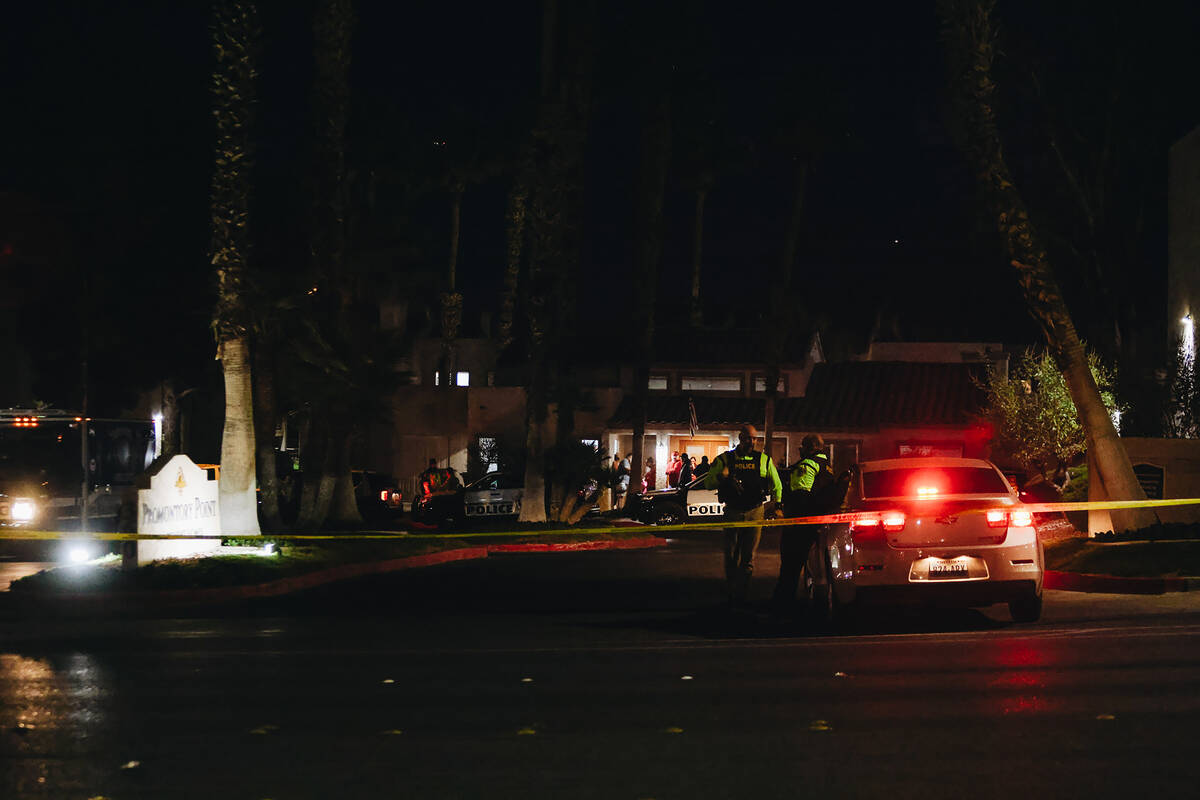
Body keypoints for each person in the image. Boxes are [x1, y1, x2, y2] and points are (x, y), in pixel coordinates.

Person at [703, 424, 783, 607]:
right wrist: (722, 478)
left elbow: (777, 485)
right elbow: (708, 483)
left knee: (748, 557)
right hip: (733, 511)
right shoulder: (724, 459)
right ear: (740, 438)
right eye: (748, 438)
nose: (752, 441)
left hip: (755, 511)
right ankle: (731, 592)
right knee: (731, 555)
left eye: (754, 438)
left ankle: (742, 595)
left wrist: (778, 505)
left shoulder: (763, 460)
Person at [772, 434, 851, 614]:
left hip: (800, 527)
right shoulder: (827, 467)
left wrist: (791, 514)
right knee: (815, 570)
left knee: (790, 568)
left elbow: (801, 495)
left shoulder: (808, 465)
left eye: (803, 446)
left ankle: (782, 607)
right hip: (816, 525)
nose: (800, 449)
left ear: (811, 447)